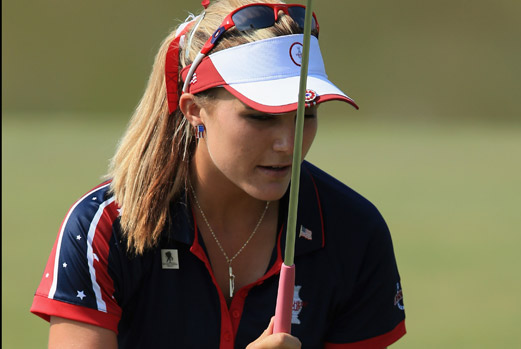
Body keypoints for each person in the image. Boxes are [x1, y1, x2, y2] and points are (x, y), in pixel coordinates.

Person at [30, 0, 406, 347]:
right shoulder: (104, 228)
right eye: (260, 117)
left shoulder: (354, 231)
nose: (288, 145)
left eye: (305, 116)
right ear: (194, 110)